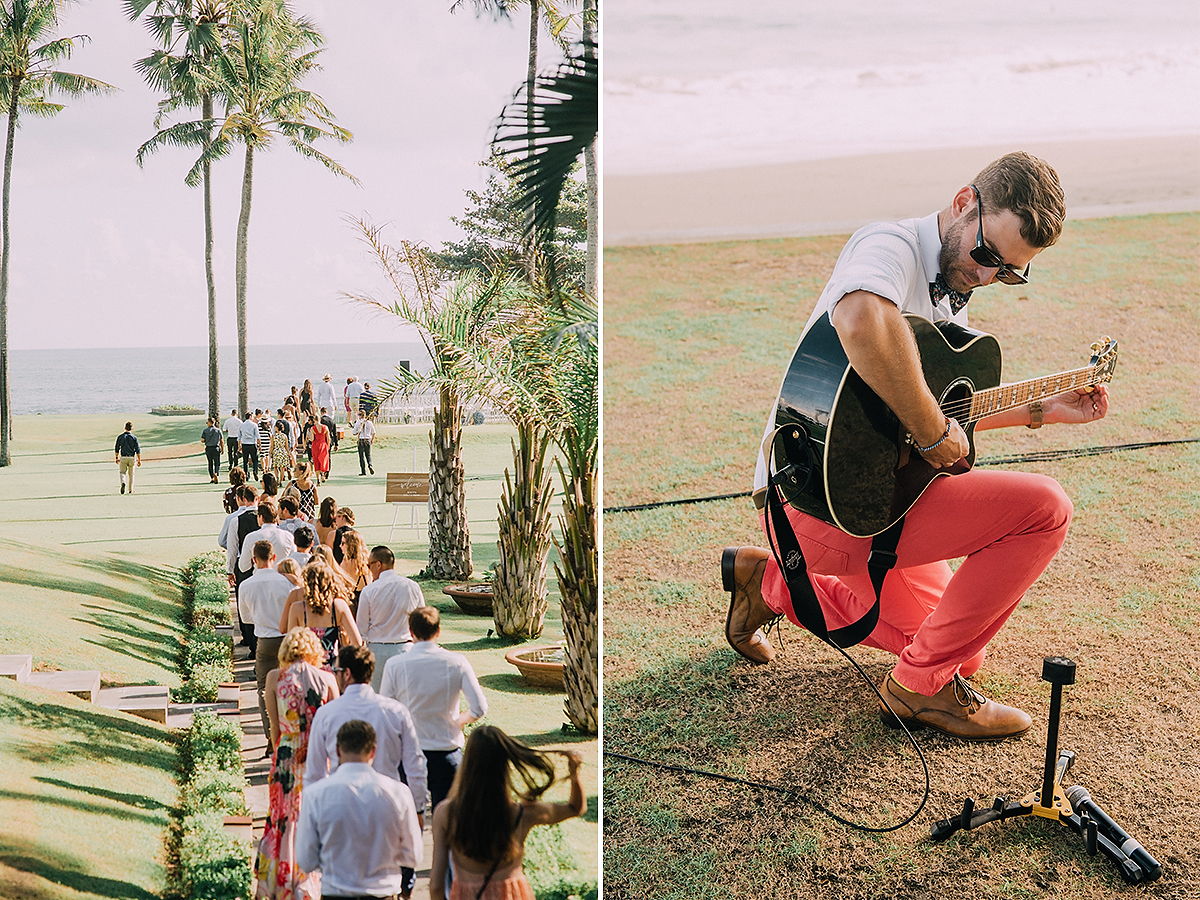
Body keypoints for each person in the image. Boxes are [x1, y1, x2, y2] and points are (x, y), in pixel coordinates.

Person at [727, 151, 1110, 741]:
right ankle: (917, 691)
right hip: (821, 506)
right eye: (986, 256)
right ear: (963, 203)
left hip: (872, 506)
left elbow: (926, 413)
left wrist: (1043, 411)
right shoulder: (890, 245)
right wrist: (933, 434)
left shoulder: (950, 291)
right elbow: (860, 321)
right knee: (1045, 509)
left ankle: (768, 582)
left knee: (957, 646)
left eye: (1008, 272)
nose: (986, 277)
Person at [305, 645, 428, 898]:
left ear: (347, 673)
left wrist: (314, 809)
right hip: (390, 807)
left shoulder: (327, 714)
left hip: (337, 808)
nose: (335, 674)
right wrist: (417, 810)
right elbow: (415, 767)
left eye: (336, 669)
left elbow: (314, 774)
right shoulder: (395, 711)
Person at [429, 726, 585, 900]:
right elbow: (574, 808)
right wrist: (574, 773)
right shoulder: (522, 813)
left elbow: (436, 887)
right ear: (504, 765)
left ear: (468, 762)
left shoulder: (446, 814)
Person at [295, 719, 423, 900]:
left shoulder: (315, 795)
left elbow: (306, 860)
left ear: (338, 750)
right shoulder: (399, 793)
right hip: (383, 892)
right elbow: (414, 856)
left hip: (336, 892)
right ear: (374, 751)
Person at [257, 627, 339, 900]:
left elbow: (274, 728)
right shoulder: (327, 679)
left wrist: (283, 744)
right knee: (315, 815)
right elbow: (334, 725)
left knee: (283, 816)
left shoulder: (274, 677)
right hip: (317, 752)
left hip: (287, 752)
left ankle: (282, 880)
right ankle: (312, 880)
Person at [381, 605, 487, 811]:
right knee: (447, 821)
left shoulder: (395, 664)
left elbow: (386, 709)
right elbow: (479, 708)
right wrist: (458, 721)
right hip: (447, 752)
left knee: (409, 819)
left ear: (411, 632)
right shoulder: (456, 662)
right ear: (438, 631)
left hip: (410, 753)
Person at [238, 540, 296, 747]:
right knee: (290, 685)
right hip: (287, 639)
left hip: (264, 639)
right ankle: (290, 731)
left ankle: (271, 736)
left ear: (254, 560)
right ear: (274, 558)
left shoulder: (246, 585)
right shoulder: (287, 582)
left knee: (263, 689)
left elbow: (246, 619)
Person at [355, 545, 424, 690]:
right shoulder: (412, 586)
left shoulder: (369, 591)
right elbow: (421, 619)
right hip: (405, 648)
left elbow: (361, 627)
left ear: (378, 564)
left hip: (377, 650)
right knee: (405, 695)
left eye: (369, 565)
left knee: (378, 697)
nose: (368, 569)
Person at [286, 559, 363, 670]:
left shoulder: (297, 608)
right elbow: (357, 641)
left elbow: (291, 644)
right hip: (332, 666)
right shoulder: (339, 606)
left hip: (307, 667)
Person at [237, 499, 296, 577]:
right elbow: (294, 560)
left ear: (261, 517)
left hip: (259, 578)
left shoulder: (251, 537)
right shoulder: (288, 536)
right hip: (283, 578)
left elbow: (243, 567)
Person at [338, 530, 372, 616]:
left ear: (350, 545)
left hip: (351, 604)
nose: (340, 546)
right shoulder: (367, 562)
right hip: (367, 602)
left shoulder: (346, 564)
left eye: (343, 543)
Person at [114, 421, 141, 495]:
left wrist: (117, 457)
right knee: (131, 474)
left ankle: (123, 482)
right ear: (131, 428)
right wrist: (139, 460)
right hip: (132, 457)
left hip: (123, 457)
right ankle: (130, 489)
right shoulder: (134, 438)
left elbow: (117, 448)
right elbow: (137, 450)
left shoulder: (120, 437)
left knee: (122, 472)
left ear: (125, 428)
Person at [309, 414, 332, 485]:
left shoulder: (312, 428)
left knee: (316, 461)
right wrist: (327, 446)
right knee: (323, 460)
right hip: (323, 444)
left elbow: (312, 439)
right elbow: (328, 438)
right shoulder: (325, 427)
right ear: (320, 419)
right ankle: (322, 473)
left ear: (314, 420)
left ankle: (318, 480)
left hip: (315, 445)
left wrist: (308, 438)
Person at [200, 417, 223, 484]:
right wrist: (222, 448)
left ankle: (212, 477)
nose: (207, 424)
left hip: (209, 448)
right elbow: (221, 440)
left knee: (210, 463)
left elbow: (202, 440)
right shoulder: (218, 430)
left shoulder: (205, 431)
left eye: (207, 422)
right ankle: (216, 473)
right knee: (217, 463)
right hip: (216, 448)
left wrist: (207, 441)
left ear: (210, 423)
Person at [239, 411, 261, 480]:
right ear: (250, 417)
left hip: (245, 444)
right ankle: (255, 471)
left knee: (245, 461)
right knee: (255, 460)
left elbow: (239, 437)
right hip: (252, 443)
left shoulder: (242, 425)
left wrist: (239, 445)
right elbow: (257, 436)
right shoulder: (254, 425)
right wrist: (260, 445)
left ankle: (246, 475)